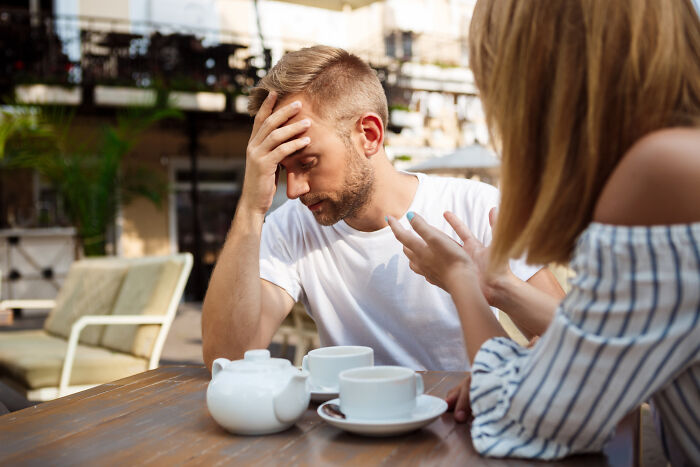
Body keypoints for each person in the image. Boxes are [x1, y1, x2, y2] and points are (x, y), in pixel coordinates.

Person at [388, 0, 700, 463]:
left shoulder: (661, 175)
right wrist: (500, 291)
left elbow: (524, 416)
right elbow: (598, 345)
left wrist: (460, 281)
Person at [201, 45, 564, 376]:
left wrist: (498, 291)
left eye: (308, 162)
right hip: (350, 438)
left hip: (465, 430)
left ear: (370, 135)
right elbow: (227, 359)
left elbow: (575, 341)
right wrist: (251, 207)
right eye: (283, 170)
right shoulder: (291, 228)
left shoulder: (473, 207)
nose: (294, 190)